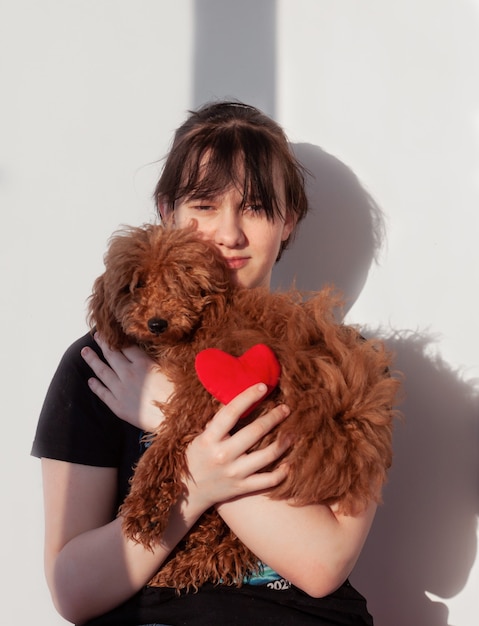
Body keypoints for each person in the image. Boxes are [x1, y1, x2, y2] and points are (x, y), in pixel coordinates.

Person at [32, 101, 379, 626]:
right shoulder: (106, 363)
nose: (230, 234)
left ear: (289, 222)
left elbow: (322, 565)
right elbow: (73, 593)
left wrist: (174, 419)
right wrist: (195, 485)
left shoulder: (343, 362)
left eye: (257, 208)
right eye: (205, 205)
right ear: (168, 210)